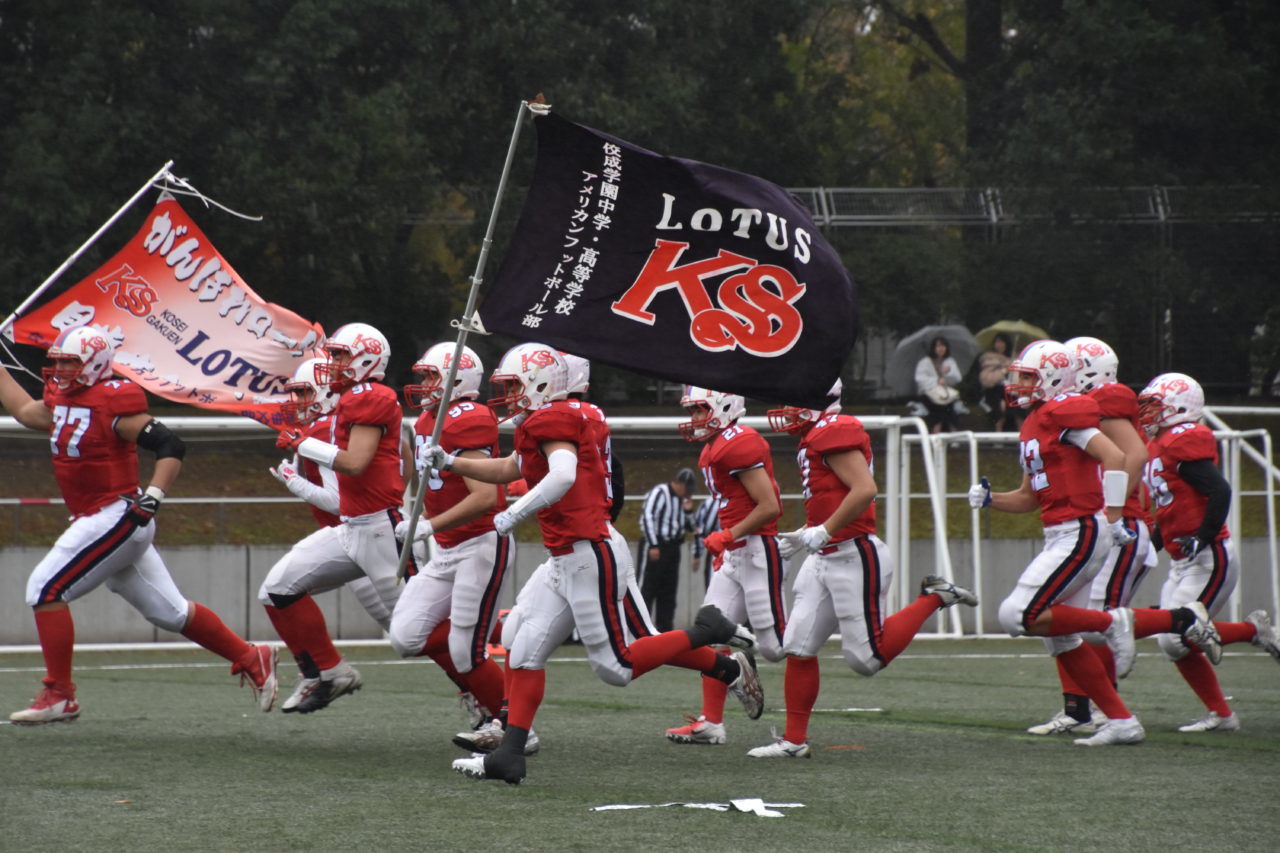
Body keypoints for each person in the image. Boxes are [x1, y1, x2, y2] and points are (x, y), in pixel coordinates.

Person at [428, 343, 762, 785]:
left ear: (542, 382)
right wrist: (452, 462)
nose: (506, 394)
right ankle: (509, 755)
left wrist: (514, 512)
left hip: (589, 553)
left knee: (616, 667)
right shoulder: (562, 417)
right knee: (521, 647)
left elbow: (562, 474)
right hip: (567, 554)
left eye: (512, 385)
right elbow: (513, 467)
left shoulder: (553, 418)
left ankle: (710, 629)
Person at [2, 325, 277, 723]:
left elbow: (170, 445)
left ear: (95, 364)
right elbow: (28, 412)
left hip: (118, 514)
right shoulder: (62, 398)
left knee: (45, 588)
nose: (59, 369)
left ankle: (60, 694)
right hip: (101, 518)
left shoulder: (113, 401)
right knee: (170, 612)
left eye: (69, 362)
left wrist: (154, 495)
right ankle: (252, 656)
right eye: (57, 361)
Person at [967, 340, 1220, 746]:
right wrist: (990, 499)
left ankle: (1115, 623)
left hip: (1081, 530)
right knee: (1061, 634)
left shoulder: (1066, 414)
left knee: (1016, 615)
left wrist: (1115, 513)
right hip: (1060, 531)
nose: (1016, 384)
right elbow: (1031, 497)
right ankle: (1119, 719)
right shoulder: (1037, 421)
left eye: (1027, 377)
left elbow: (1117, 458)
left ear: (1052, 378)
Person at [750, 382, 978, 758]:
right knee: (799, 646)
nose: (785, 406)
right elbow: (832, 499)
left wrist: (823, 530)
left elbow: (864, 489)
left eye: (793, 397)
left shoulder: (832, 430)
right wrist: (811, 531)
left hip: (855, 556)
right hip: (825, 556)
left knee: (866, 660)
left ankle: (933, 597)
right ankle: (793, 741)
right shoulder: (814, 435)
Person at [260, 321, 416, 713]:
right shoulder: (331, 422)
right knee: (276, 590)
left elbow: (338, 497)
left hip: (370, 531)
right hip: (351, 536)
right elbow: (405, 464)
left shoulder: (333, 427)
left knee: (415, 632)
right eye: (295, 392)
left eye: (304, 392)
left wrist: (296, 481)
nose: (297, 401)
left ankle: (487, 697)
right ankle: (325, 671)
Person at [1024, 336, 1156, 736]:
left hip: (1112, 525)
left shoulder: (1105, 399)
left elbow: (1132, 455)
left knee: (1095, 618)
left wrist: (1110, 512)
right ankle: (1081, 707)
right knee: (1066, 619)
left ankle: (1105, 707)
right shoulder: (1065, 409)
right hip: (1093, 522)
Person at [1137, 372, 1280, 731]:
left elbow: (1220, 491)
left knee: (1176, 635)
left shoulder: (1181, 441)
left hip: (1209, 556)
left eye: (1155, 406)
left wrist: (1202, 536)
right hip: (1185, 559)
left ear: (1180, 407)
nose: (1148, 413)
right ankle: (1223, 715)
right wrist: (1147, 548)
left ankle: (1254, 632)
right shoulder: (1159, 444)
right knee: (1173, 642)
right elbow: (1169, 512)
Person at [388, 342, 512, 740]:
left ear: (458, 380)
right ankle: (491, 629)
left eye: (430, 376)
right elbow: (444, 489)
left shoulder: (468, 419)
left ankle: (513, 727)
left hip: (480, 545)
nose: (423, 384)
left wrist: (428, 524)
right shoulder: (428, 420)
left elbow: (484, 497)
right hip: (448, 547)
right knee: (406, 636)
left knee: (465, 651)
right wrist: (422, 518)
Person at [665, 385, 784, 746]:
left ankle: (744, 655)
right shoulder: (716, 445)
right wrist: (727, 542)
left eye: (701, 409)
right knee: (709, 631)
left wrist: (728, 534)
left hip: (757, 552)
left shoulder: (740, 442)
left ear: (725, 405)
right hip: (735, 554)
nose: (695, 418)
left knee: (775, 648)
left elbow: (769, 506)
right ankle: (712, 723)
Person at [638, 467, 698, 632]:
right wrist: (654, 544)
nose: (688, 494)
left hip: (673, 548)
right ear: (679, 484)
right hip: (657, 545)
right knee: (647, 589)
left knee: (668, 593)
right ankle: (639, 629)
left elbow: (693, 527)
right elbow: (647, 517)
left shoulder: (682, 501)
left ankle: (665, 631)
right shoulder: (660, 492)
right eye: (687, 489)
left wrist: (689, 511)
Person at [914, 335, 963, 434]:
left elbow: (957, 378)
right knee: (939, 409)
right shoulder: (925, 362)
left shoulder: (950, 361)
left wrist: (948, 372)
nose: (941, 348)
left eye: (943, 346)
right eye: (938, 346)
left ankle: (953, 435)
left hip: (945, 394)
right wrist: (936, 380)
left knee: (949, 409)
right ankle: (937, 433)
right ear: (933, 348)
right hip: (929, 394)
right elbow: (919, 378)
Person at [977, 332, 1017, 432]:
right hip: (993, 391)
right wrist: (1004, 370)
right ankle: (998, 432)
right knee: (1001, 406)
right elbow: (987, 379)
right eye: (997, 342)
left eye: (1002, 342)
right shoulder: (988, 359)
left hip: (1009, 390)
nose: (1000, 345)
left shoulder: (1012, 360)